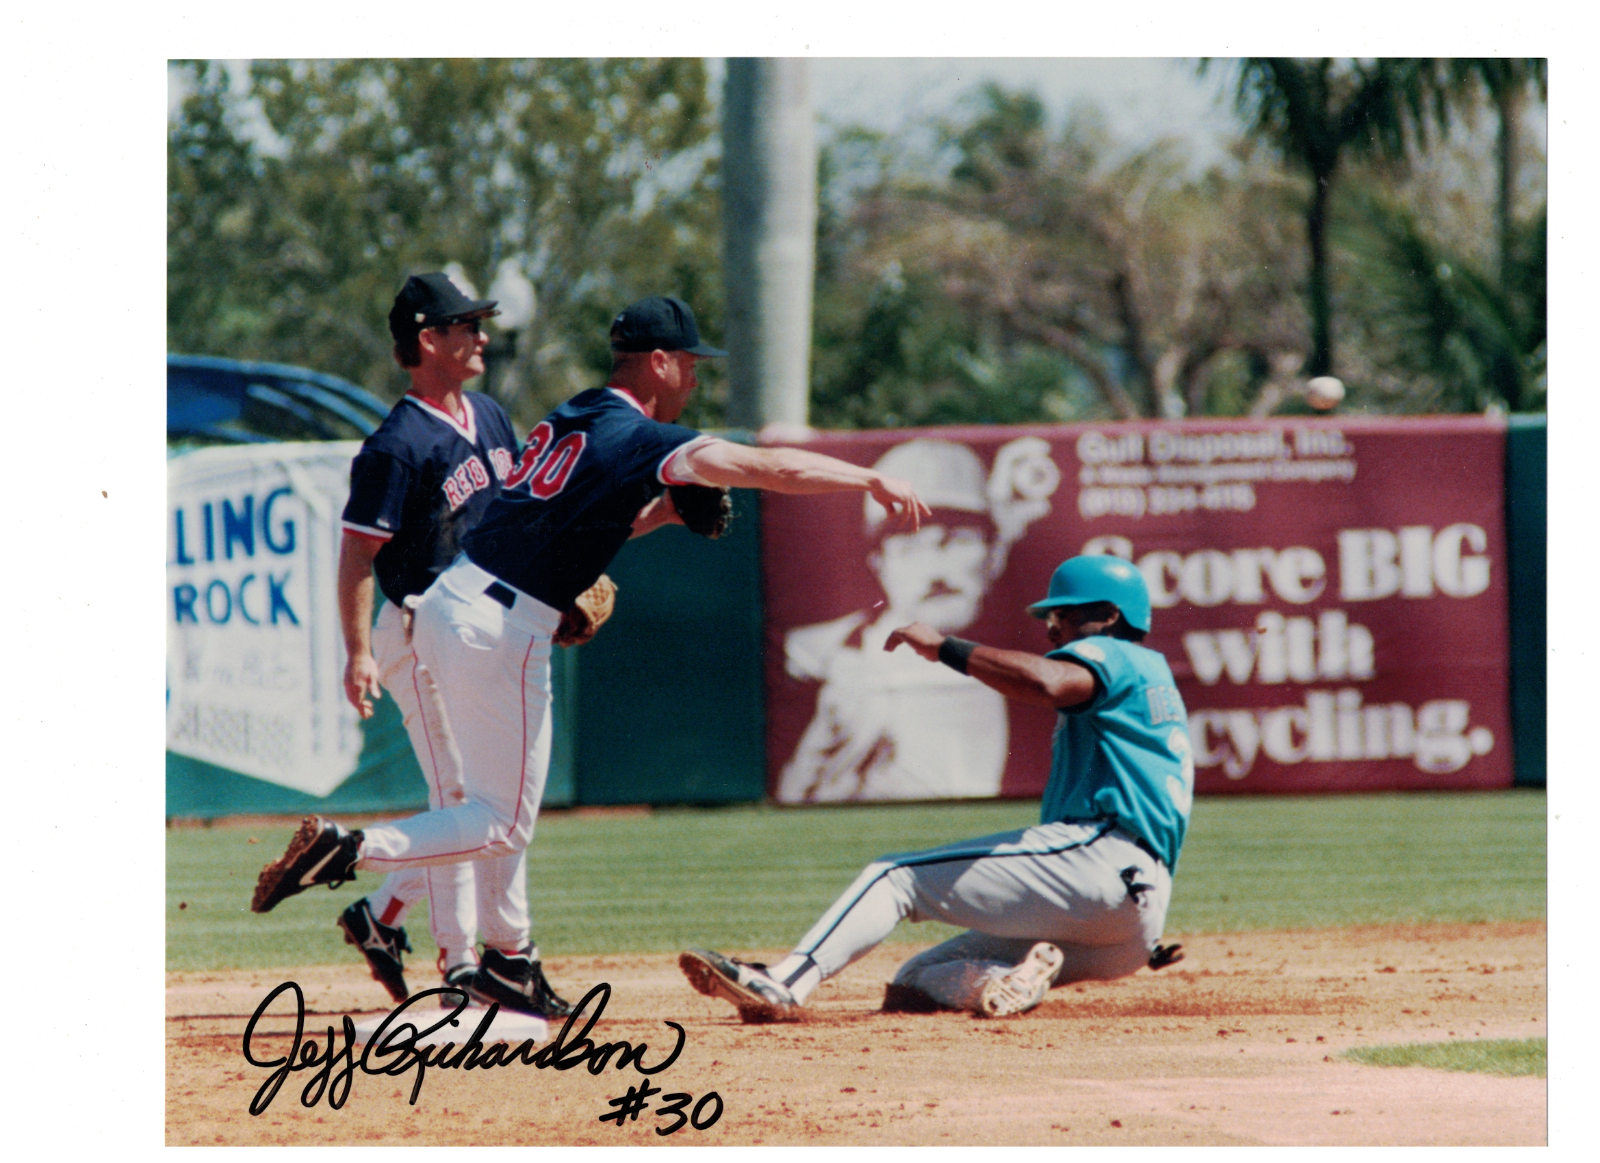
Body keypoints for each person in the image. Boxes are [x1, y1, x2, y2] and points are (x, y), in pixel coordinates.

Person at [251, 294, 931, 1018]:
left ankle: (509, 963)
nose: (696, 380)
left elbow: (567, 521)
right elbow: (763, 465)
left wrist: (664, 512)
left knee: (491, 801)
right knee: (500, 817)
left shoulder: (573, 414)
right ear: (661, 362)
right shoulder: (640, 438)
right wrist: (865, 477)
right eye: (692, 364)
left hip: (456, 604)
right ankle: (350, 850)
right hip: (499, 625)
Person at [681, 554, 1193, 1020]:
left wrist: (945, 648)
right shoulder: (1152, 683)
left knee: (894, 876)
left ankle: (783, 984)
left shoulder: (1116, 654)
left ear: (1108, 614)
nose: (1053, 626)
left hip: (1097, 864)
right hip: (1132, 920)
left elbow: (1049, 684)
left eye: (1064, 612)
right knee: (915, 986)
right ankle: (1003, 983)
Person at [329, 271, 546, 1009]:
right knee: (458, 791)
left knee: (482, 796)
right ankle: (460, 971)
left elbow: (513, 516)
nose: (481, 336)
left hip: (486, 628)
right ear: (429, 340)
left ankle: (384, 912)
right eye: (466, 326)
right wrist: (358, 652)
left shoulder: (487, 415)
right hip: (417, 628)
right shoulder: (396, 445)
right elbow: (359, 555)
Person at [777, 437, 1059, 803]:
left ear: (994, 557)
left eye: (955, 539)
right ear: (879, 565)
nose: (934, 568)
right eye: (909, 544)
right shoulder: (814, 667)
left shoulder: (1032, 675)